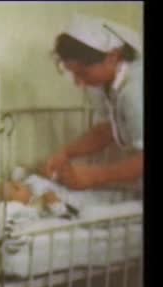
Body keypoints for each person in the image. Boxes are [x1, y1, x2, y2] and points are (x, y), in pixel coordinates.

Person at [43, 13, 143, 190]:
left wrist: (95, 176)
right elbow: (108, 130)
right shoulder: (113, 85)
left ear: (112, 57)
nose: (78, 83)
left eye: (83, 73)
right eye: (73, 74)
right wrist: (65, 153)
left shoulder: (135, 89)